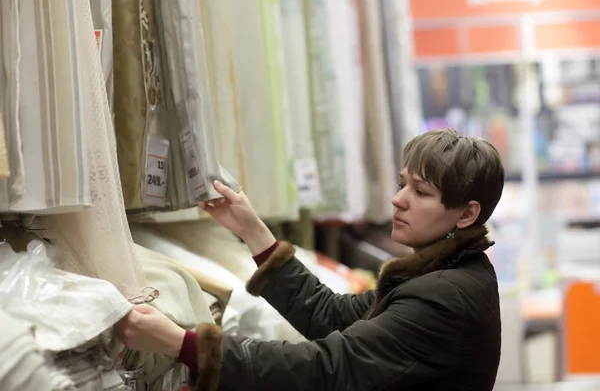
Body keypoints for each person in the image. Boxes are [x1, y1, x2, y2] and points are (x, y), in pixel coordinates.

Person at [115, 129, 505, 391]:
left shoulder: (444, 297)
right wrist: (253, 231)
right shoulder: (446, 274)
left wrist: (184, 344)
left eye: (421, 192)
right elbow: (333, 316)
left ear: (467, 214)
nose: (398, 199)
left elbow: (327, 367)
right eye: (403, 184)